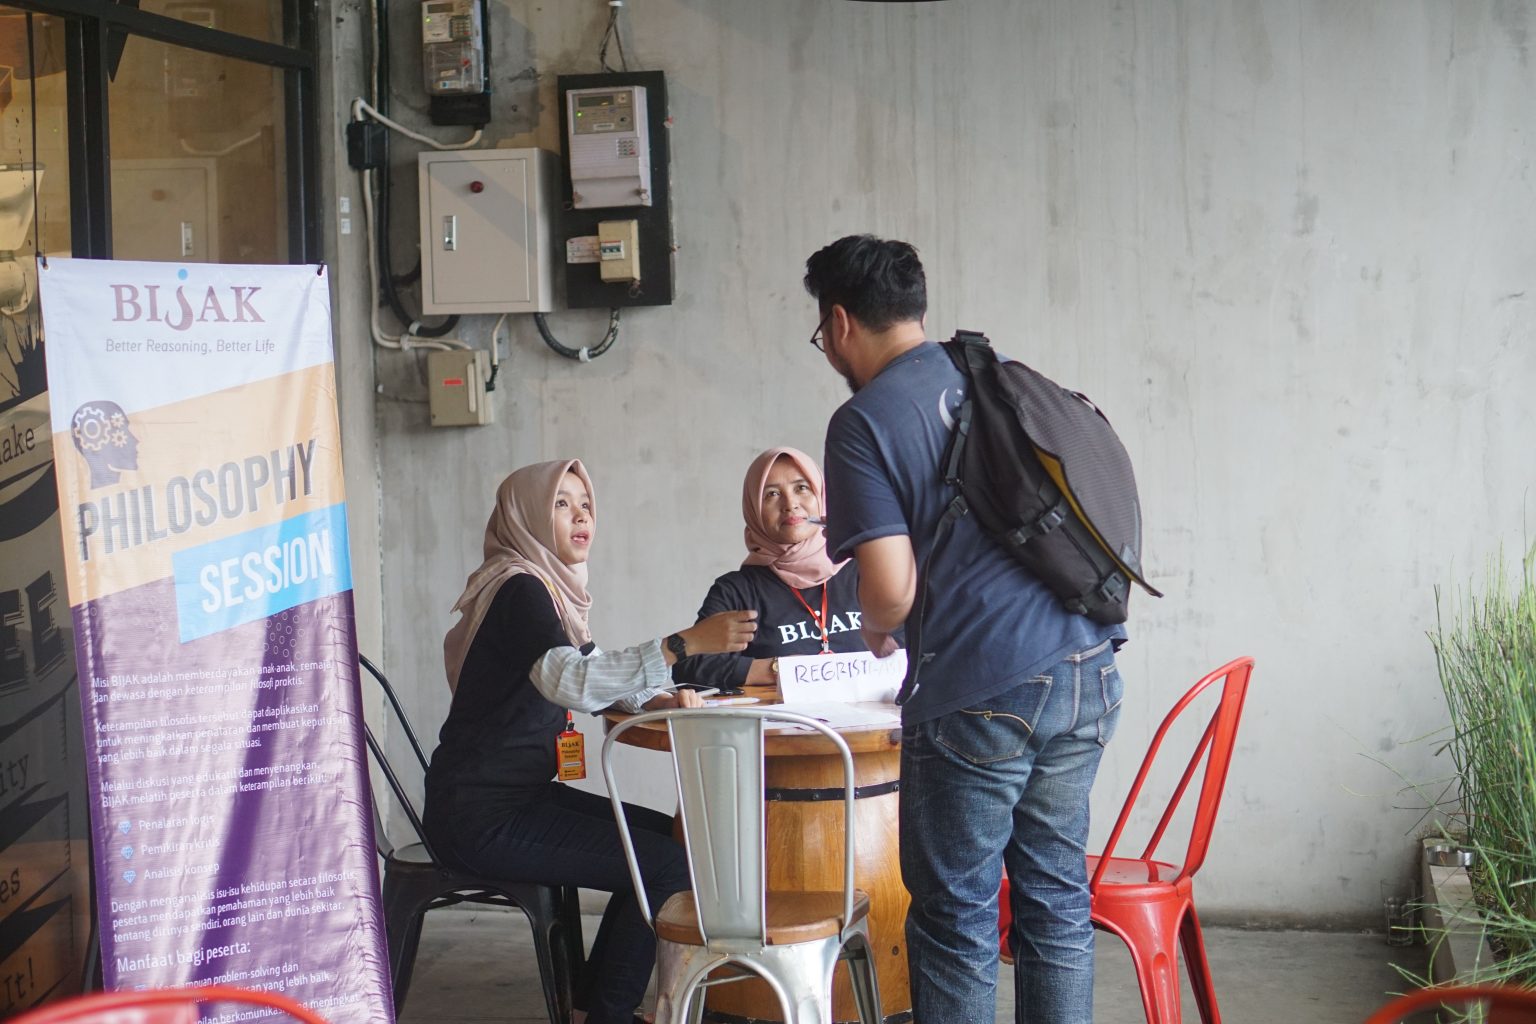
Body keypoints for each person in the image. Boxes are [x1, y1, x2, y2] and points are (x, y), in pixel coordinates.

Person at [805, 235, 1127, 1024]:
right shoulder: (991, 375)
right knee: (1053, 900)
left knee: (956, 920)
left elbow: (888, 589)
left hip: (982, 691)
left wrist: (881, 631)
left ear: (841, 322)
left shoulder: (863, 421)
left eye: (821, 334)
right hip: (1086, 663)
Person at [423, 459, 758, 1024]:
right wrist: (683, 644)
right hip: (480, 815)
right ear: (525, 514)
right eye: (561, 503)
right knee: (664, 865)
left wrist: (653, 697)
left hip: (514, 798)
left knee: (667, 841)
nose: (580, 516)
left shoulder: (545, 589)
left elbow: (587, 670)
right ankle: (608, 1014)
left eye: (585, 504)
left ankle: (592, 1007)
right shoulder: (520, 588)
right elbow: (568, 680)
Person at [672, 446, 874, 692]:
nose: (790, 504)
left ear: (821, 496)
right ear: (754, 509)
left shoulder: (867, 572)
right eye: (772, 494)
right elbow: (689, 665)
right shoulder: (738, 591)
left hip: (874, 728)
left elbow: (913, 650)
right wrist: (776, 669)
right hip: (779, 729)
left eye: (801, 488)